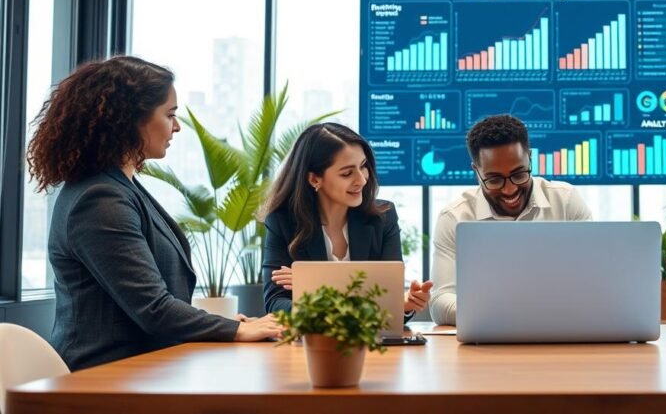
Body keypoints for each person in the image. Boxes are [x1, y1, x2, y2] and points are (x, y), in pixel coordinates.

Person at [27, 56, 282, 371]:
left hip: (143, 369)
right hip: (103, 378)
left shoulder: (120, 186)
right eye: (170, 114)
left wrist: (222, 323)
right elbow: (153, 308)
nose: (176, 126)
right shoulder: (99, 199)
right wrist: (237, 329)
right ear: (129, 120)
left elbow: (150, 301)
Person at [429, 114, 593, 325]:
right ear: (476, 171)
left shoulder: (566, 201)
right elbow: (440, 301)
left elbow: (591, 283)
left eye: (519, 174)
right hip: (487, 341)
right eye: (494, 179)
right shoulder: (454, 218)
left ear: (530, 158)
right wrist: (503, 315)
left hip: (561, 330)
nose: (510, 189)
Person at [261, 123, 432, 318]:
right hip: (309, 345)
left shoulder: (383, 217)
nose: (362, 179)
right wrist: (363, 301)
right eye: (347, 173)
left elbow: (389, 301)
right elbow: (276, 304)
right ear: (315, 179)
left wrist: (405, 304)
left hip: (372, 344)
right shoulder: (283, 222)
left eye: (363, 166)